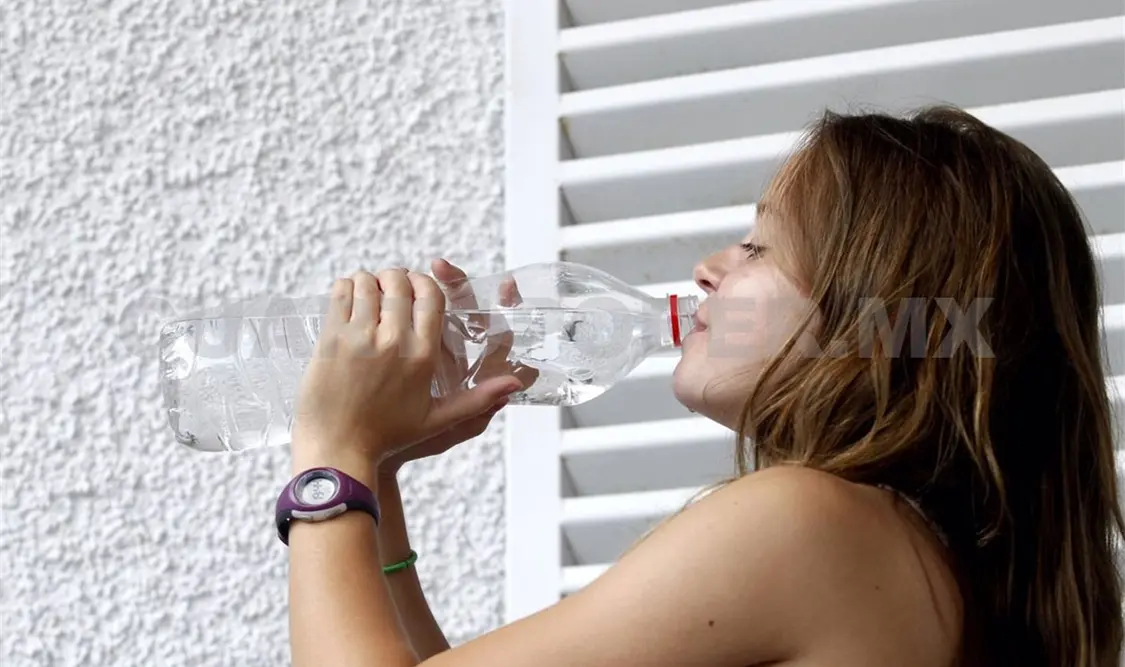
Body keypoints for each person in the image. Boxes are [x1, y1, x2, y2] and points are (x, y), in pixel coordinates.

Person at [280, 107, 1124, 667]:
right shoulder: (911, 558)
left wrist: (330, 450)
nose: (707, 268)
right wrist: (376, 474)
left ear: (875, 323)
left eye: (758, 247)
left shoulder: (807, 522)